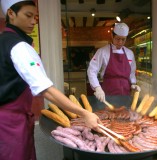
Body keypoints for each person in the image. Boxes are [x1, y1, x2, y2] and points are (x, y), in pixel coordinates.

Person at [0, 1, 101, 160]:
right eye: (28, 15)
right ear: (11, 14)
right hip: (11, 124)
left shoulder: (3, 40)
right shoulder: (19, 46)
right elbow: (45, 90)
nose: (33, 21)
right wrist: (84, 113)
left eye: (35, 17)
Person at [87, 22, 141, 102]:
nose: (120, 42)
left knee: (125, 112)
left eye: (123, 39)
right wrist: (97, 87)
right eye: (117, 39)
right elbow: (91, 70)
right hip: (108, 91)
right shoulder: (102, 51)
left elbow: (132, 72)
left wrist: (133, 84)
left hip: (125, 92)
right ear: (112, 36)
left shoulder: (129, 53)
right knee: (109, 113)